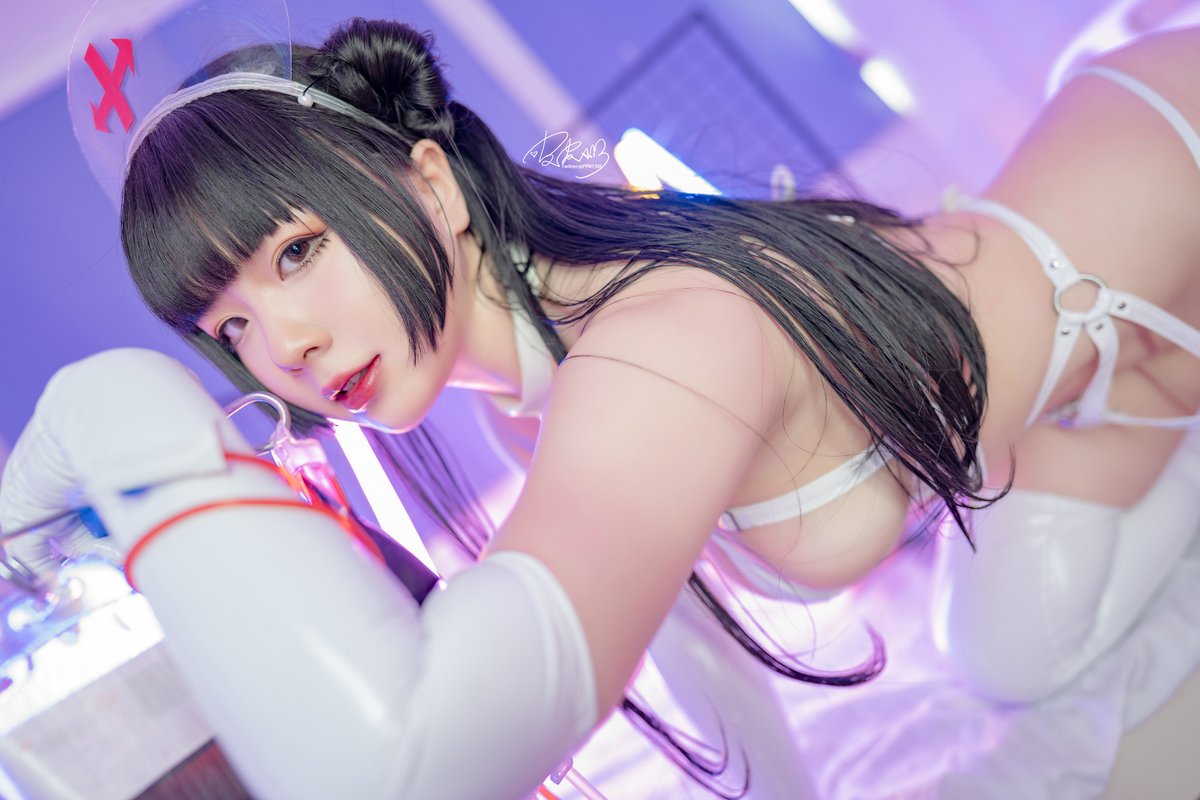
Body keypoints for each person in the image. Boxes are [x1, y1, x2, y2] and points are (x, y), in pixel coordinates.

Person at [3, 14, 1200, 800]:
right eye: (228, 329)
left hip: (1170, 136)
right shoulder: (537, 395)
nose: (286, 345)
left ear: (432, 183)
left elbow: (406, 764)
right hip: (1111, 373)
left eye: (298, 250)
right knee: (1011, 654)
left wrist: (114, 417)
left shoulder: (656, 344)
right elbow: (703, 655)